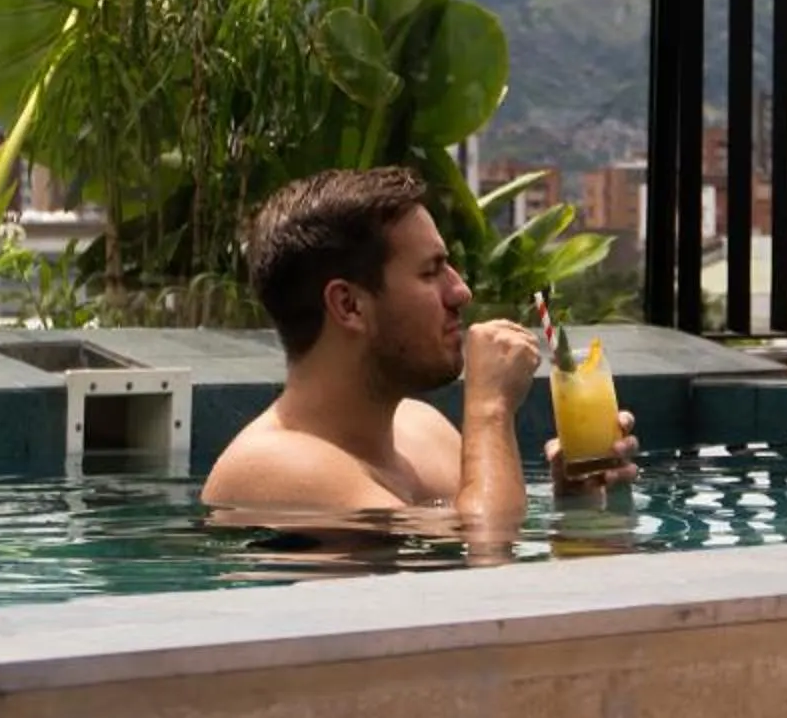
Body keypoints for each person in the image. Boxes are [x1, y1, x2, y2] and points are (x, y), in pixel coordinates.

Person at [201, 166, 639, 521]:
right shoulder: (270, 467)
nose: (461, 292)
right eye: (431, 272)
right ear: (349, 305)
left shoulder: (424, 430)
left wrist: (578, 502)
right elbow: (486, 569)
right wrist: (490, 409)